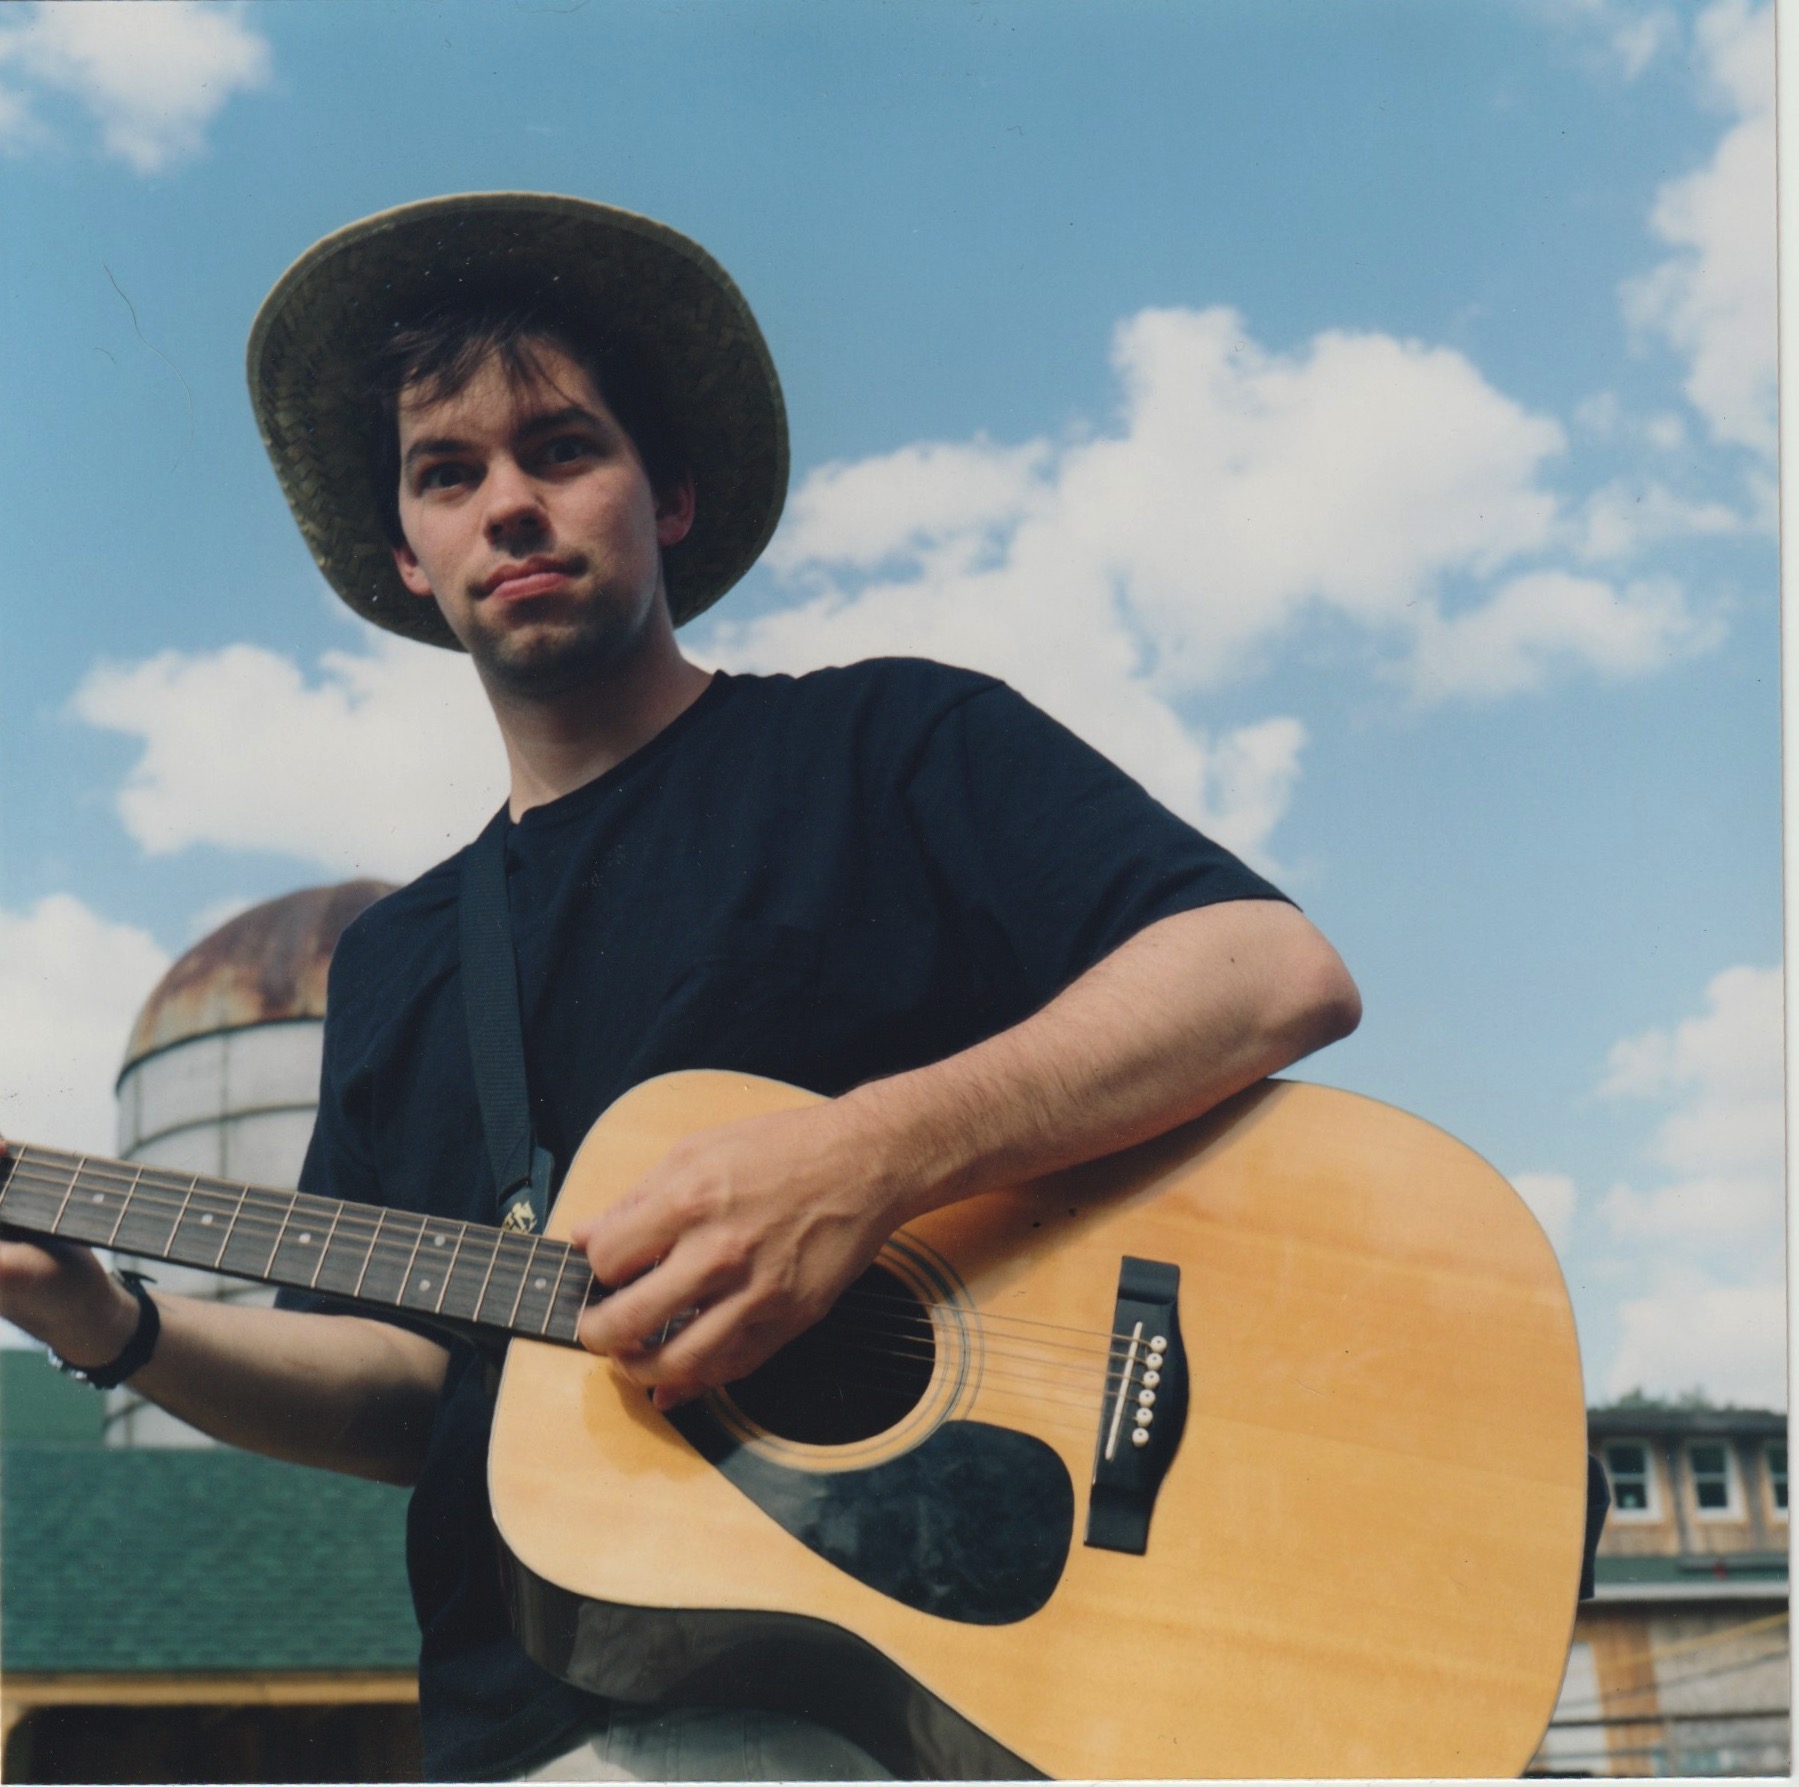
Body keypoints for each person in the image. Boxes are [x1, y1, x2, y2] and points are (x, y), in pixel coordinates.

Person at [0, 194, 1360, 1782]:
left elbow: (1269, 970)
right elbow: (407, 1388)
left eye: (561, 450)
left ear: (675, 495)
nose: (508, 504)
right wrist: (103, 1318)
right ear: (405, 553)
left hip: (944, 1685)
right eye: (450, 475)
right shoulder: (397, 962)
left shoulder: (891, 745)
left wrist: (867, 1160)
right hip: (526, 1729)